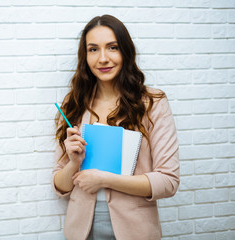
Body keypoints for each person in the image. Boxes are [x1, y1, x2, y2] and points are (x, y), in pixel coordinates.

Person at [52, 15, 179, 240]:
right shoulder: (74, 104)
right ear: (85, 56)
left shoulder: (152, 103)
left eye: (112, 47)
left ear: (126, 51)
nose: (103, 58)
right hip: (81, 231)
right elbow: (60, 187)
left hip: (136, 230)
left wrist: (105, 180)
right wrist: (73, 164)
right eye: (93, 49)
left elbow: (168, 182)